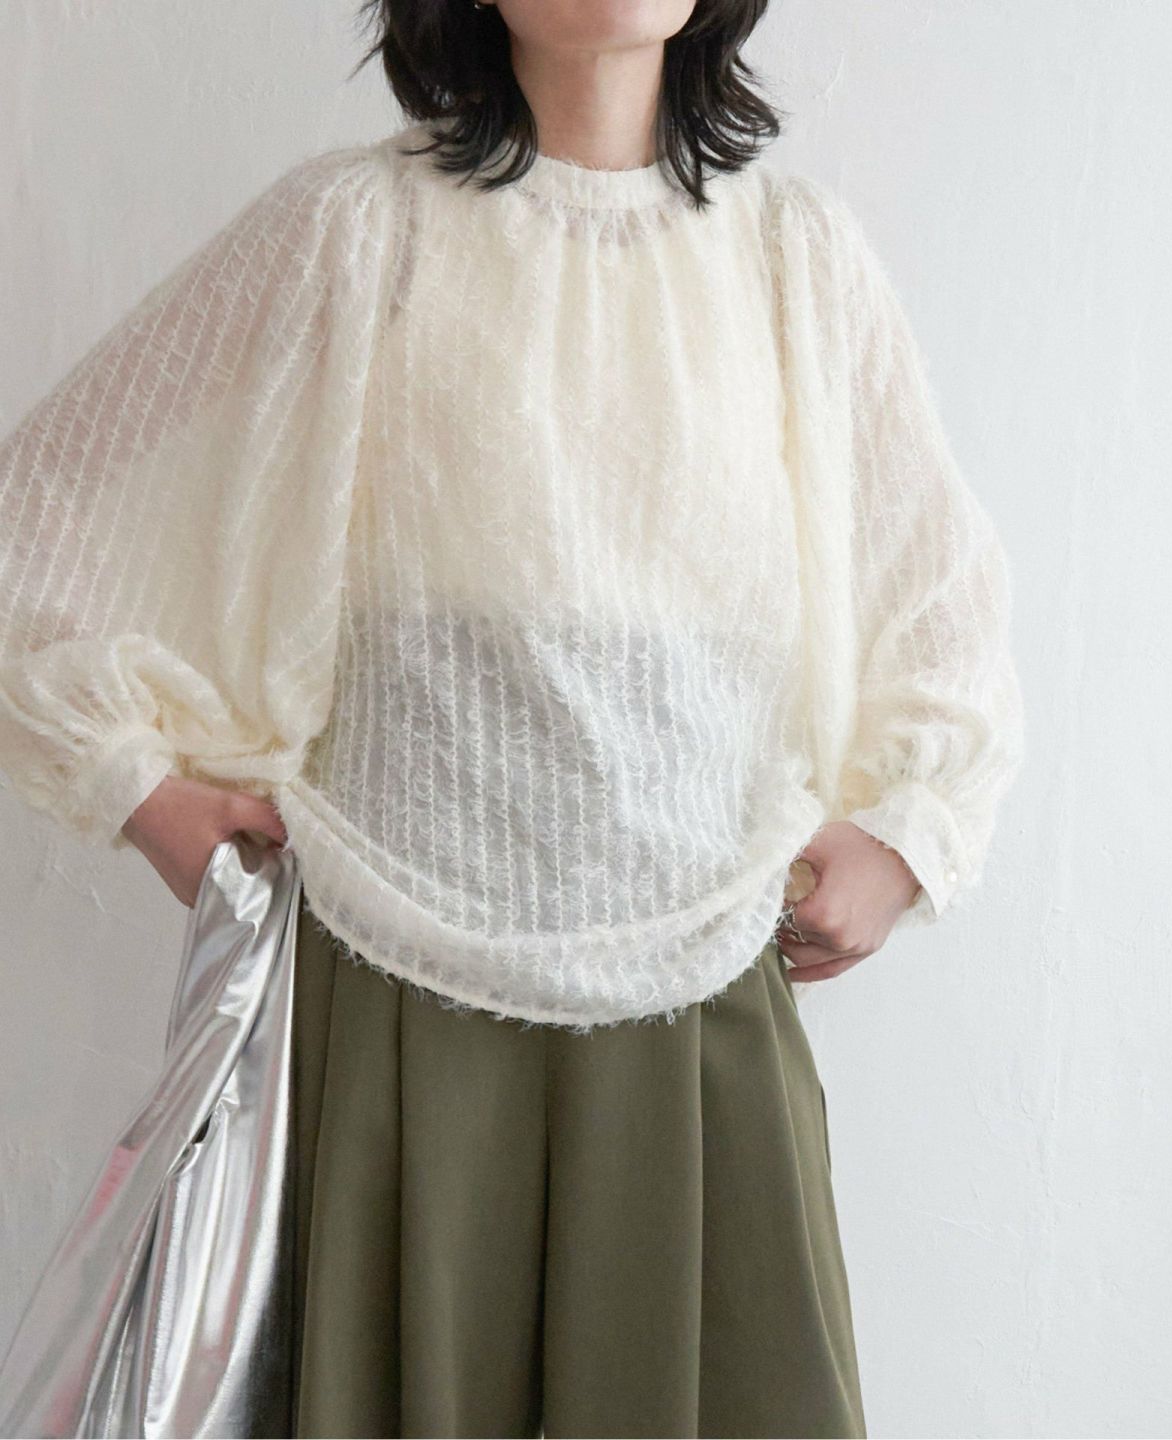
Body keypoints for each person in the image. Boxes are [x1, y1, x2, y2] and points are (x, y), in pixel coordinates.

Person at [0, 1, 1024, 1436]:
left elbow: (943, 607)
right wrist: (135, 785)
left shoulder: (797, 260)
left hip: (707, 1012)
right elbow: (35, 515)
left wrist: (907, 833)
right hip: (391, 1001)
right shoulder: (356, 232)